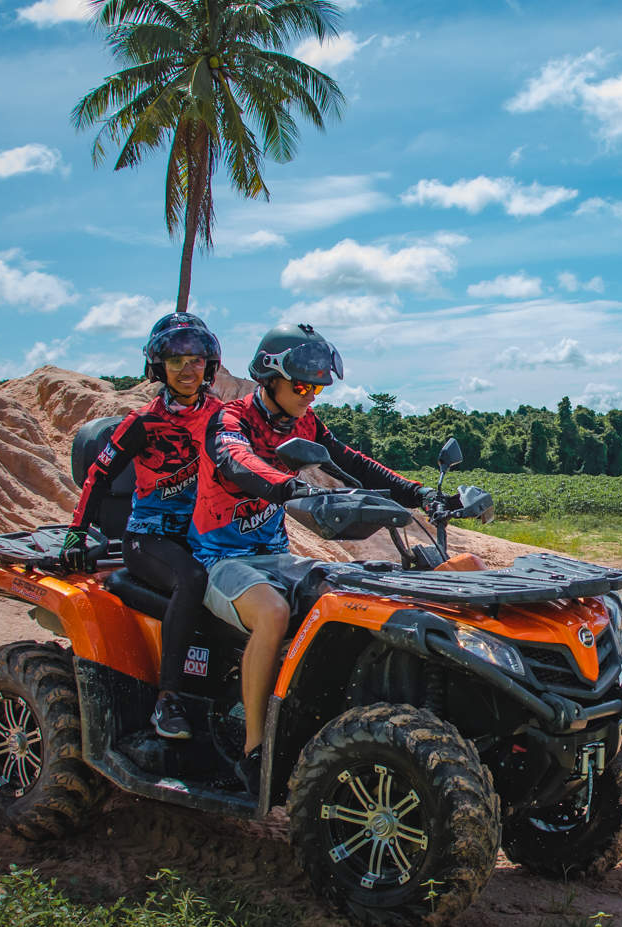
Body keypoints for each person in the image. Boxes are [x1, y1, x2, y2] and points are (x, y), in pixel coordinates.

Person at [191, 323, 455, 792]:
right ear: (270, 378)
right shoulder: (231, 420)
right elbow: (237, 462)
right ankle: (255, 751)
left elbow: (351, 462)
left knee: (348, 597)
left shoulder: (304, 423)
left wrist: (419, 494)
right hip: (222, 559)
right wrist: (291, 487)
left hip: (275, 557)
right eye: (301, 387)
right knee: (272, 614)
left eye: (317, 388)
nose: (310, 395)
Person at [62, 312, 224, 742]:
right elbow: (98, 475)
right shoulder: (142, 422)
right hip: (148, 538)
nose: (187, 370)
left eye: (196, 360)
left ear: (209, 365)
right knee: (192, 579)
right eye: (176, 361)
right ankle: (167, 699)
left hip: (204, 534)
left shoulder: (224, 417)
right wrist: (77, 532)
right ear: (159, 367)